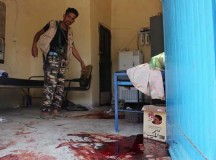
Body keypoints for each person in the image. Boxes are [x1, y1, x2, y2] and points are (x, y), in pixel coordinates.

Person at [31, 8, 86, 118]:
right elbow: (38, 33)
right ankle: (45, 110)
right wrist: (34, 45)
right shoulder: (52, 24)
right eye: (68, 16)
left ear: (74, 21)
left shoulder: (70, 32)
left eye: (73, 19)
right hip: (52, 57)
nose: (70, 20)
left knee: (60, 86)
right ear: (64, 15)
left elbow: (72, 48)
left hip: (63, 60)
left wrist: (81, 62)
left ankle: (55, 110)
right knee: (50, 84)